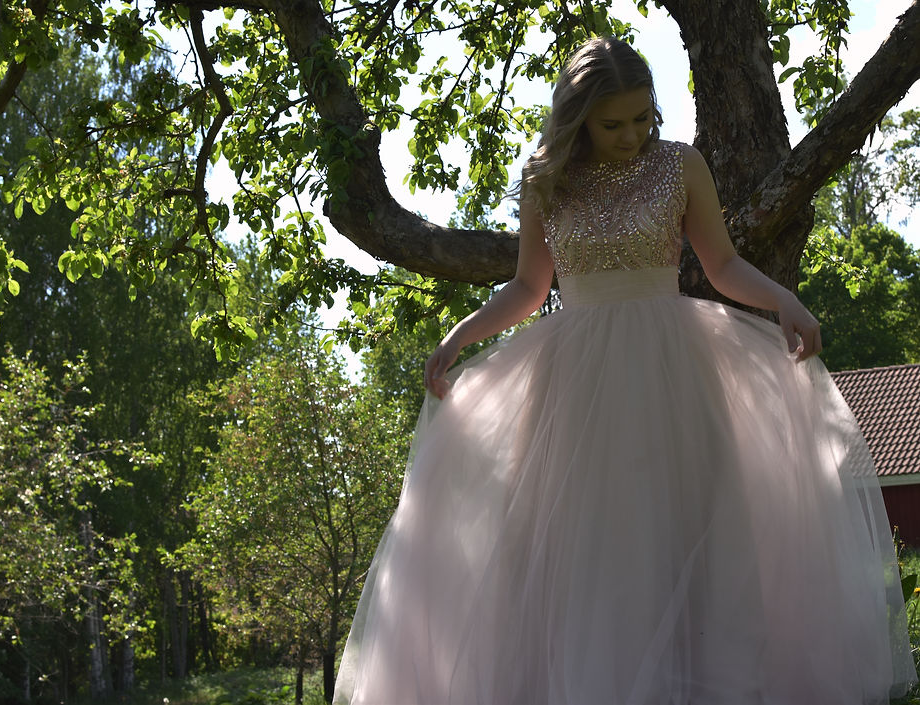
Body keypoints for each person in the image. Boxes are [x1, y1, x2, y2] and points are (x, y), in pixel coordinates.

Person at [333, 37, 917, 704]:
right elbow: (528, 287)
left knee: (691, 535)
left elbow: (722, 264)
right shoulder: (545, 179)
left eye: (642, 117)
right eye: (613, 124)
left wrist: (785, 299)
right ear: (577, 119)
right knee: (585, 550)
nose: (632, 135)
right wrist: (460, 335)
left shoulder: (680, 165)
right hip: (576, 386)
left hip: (674, 373)